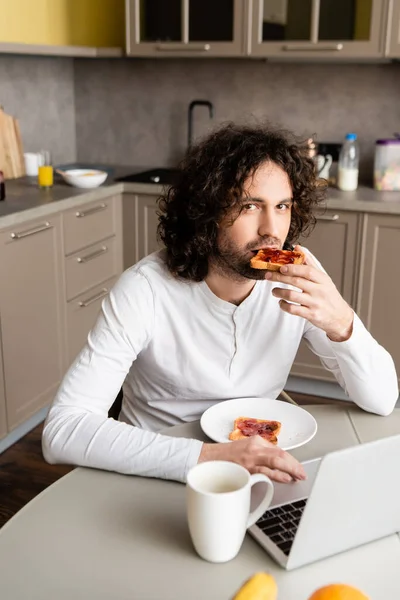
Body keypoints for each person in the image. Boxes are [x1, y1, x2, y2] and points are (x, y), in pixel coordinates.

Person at [42, 123, 398, 484]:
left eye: (282, 206)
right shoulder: (144, 290)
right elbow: (63, 430)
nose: (271, 229)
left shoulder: (300, 277)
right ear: (206, 212)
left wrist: (342, 323)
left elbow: (383, 400)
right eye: (250, 206)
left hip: (256, 468)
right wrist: (211, 457)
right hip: (153, 469)